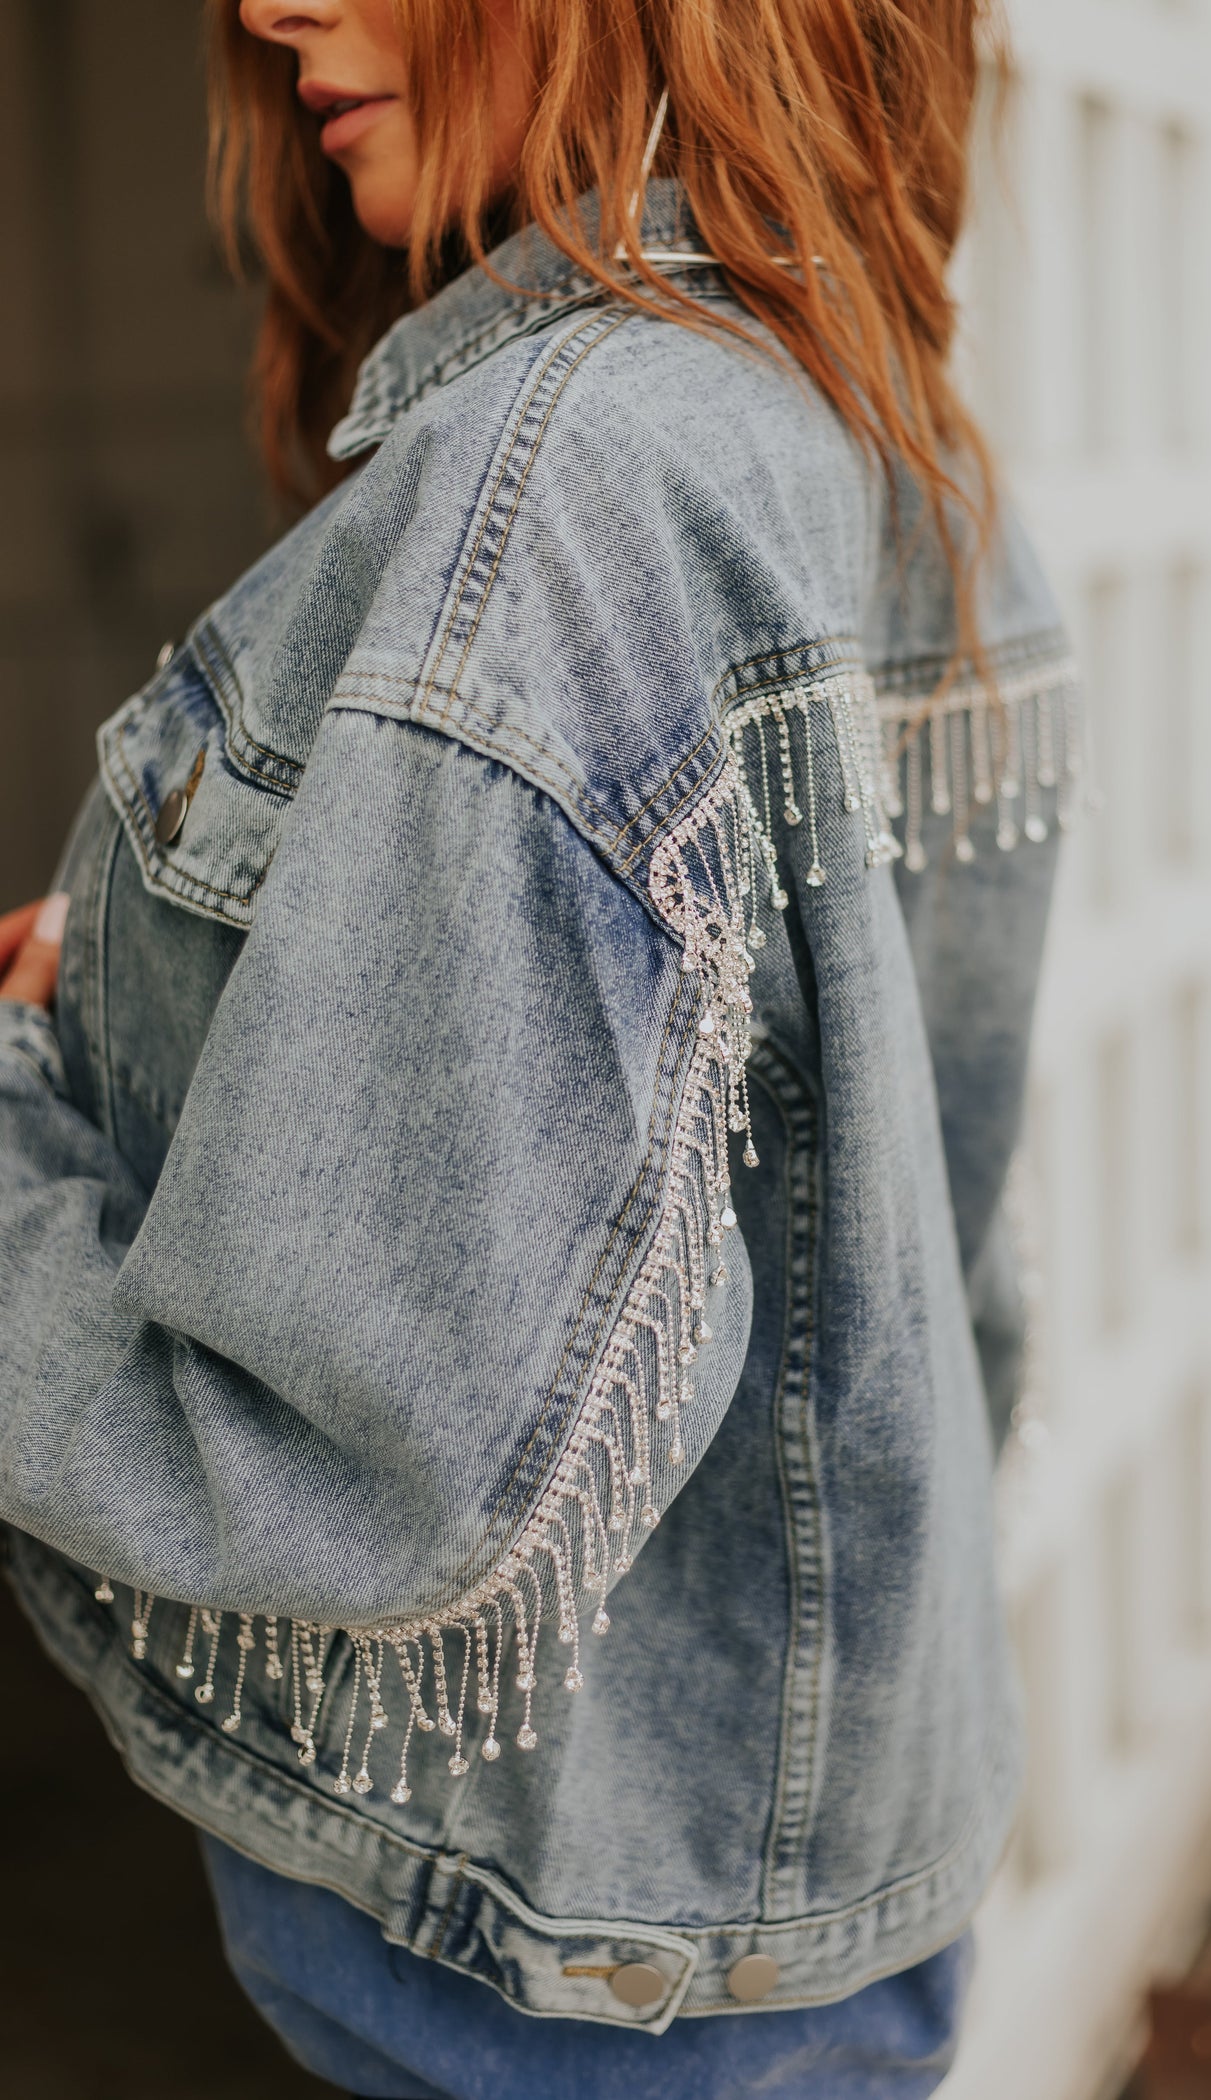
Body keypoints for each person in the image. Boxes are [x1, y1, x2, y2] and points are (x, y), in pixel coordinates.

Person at [0, 2, 1080, 2093]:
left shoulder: (561, 488)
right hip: (824, 1879)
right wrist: (152, 981)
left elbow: (368, 1463)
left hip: (558, 1985)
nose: (262, 6)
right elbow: (905, 1210)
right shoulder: (868, 414)